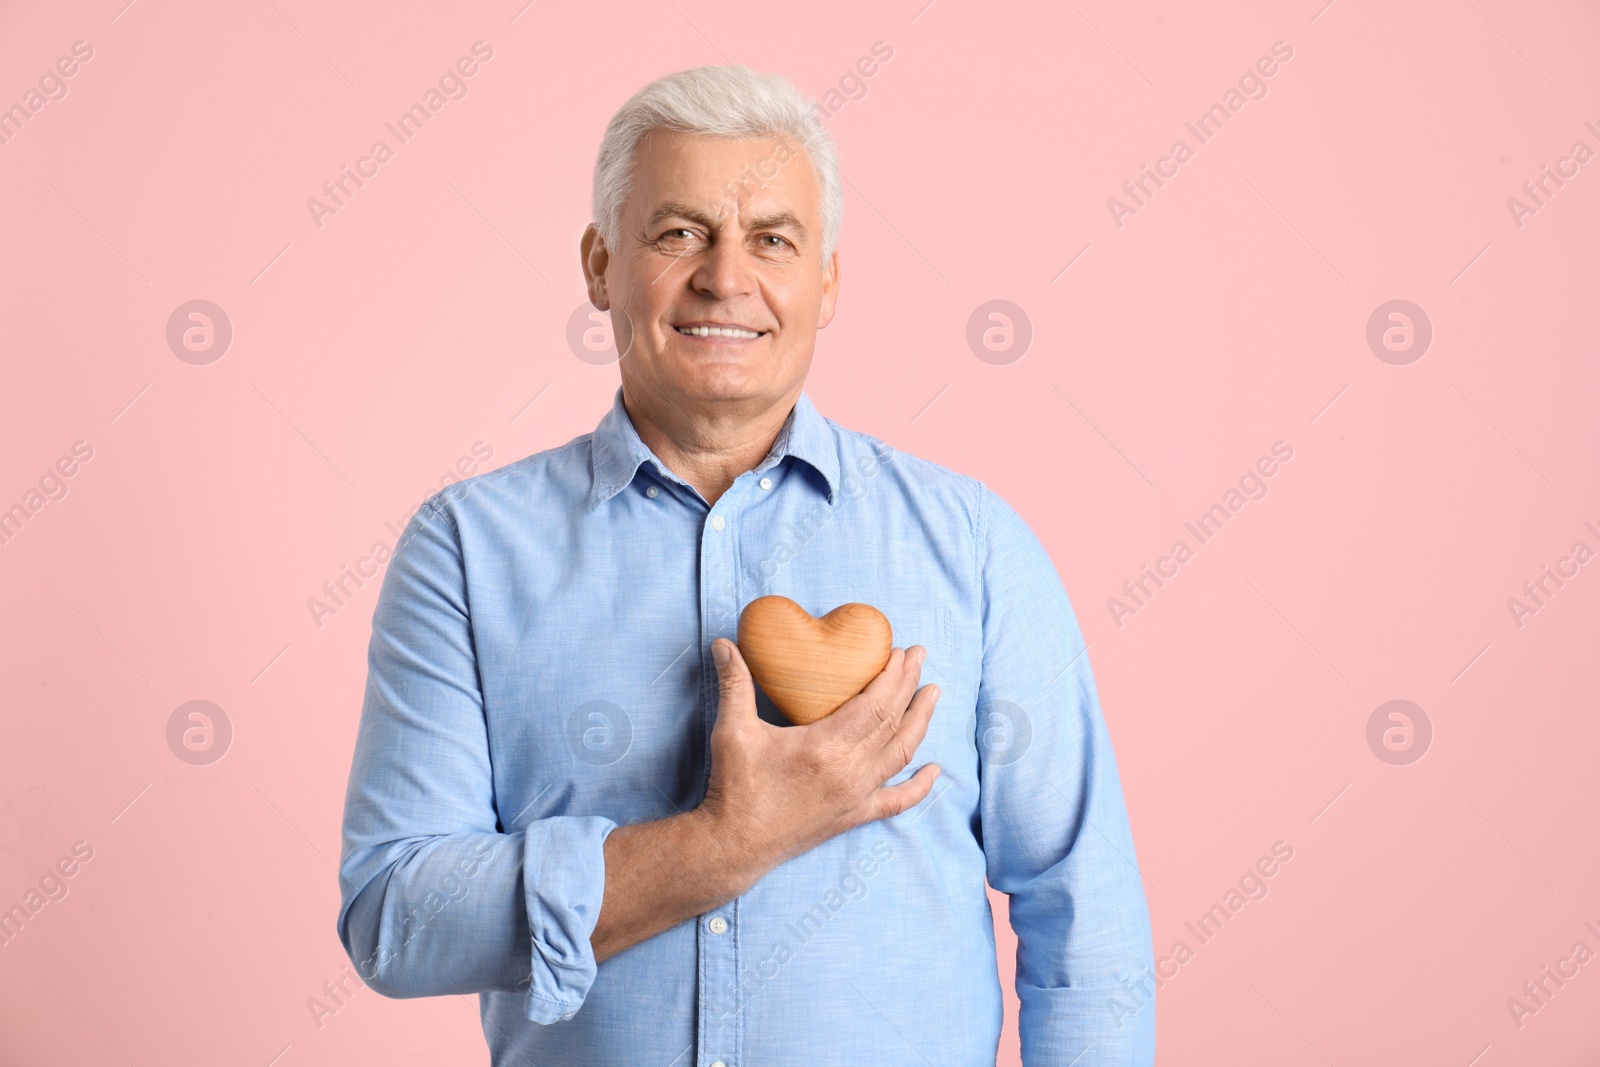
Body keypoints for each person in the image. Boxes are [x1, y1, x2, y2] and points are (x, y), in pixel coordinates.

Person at [337, 64, 1155, 1065]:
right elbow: (396, 912)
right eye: (679, 232)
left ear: (827, 281)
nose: (726, 278)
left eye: (772, 238)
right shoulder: (466, 551)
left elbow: (1084, 914)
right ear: (599, 264)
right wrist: (724, 843)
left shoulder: (973, 547)